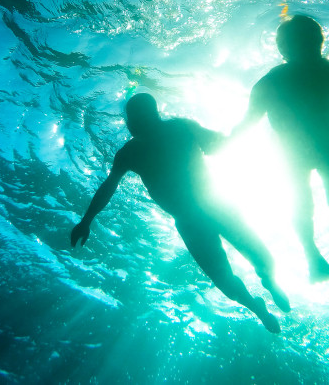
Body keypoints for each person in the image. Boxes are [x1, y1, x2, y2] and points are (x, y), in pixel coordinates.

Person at [71, 93, 290, 333]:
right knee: (225, 279)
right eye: (131, 118)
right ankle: (256, 307)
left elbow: (218, 144)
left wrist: (86, 221)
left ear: (151, 115)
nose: (131, 123)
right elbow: (108, 187)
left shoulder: (177, 129)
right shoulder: (131, 152)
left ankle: (270, 283)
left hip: (215, 206)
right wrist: (86, 220)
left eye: (135, 117)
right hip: (195, 219)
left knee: (259, 258)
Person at [233, 14, 329, 282]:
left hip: (293, 154)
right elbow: (247, 123)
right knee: (300, 203)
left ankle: (312, 258)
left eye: (282, 42)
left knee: (300, 204)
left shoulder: (272, 80)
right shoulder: (276, 79)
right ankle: (312, 257)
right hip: (310, 150)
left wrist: (222, 143)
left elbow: (247, 124)